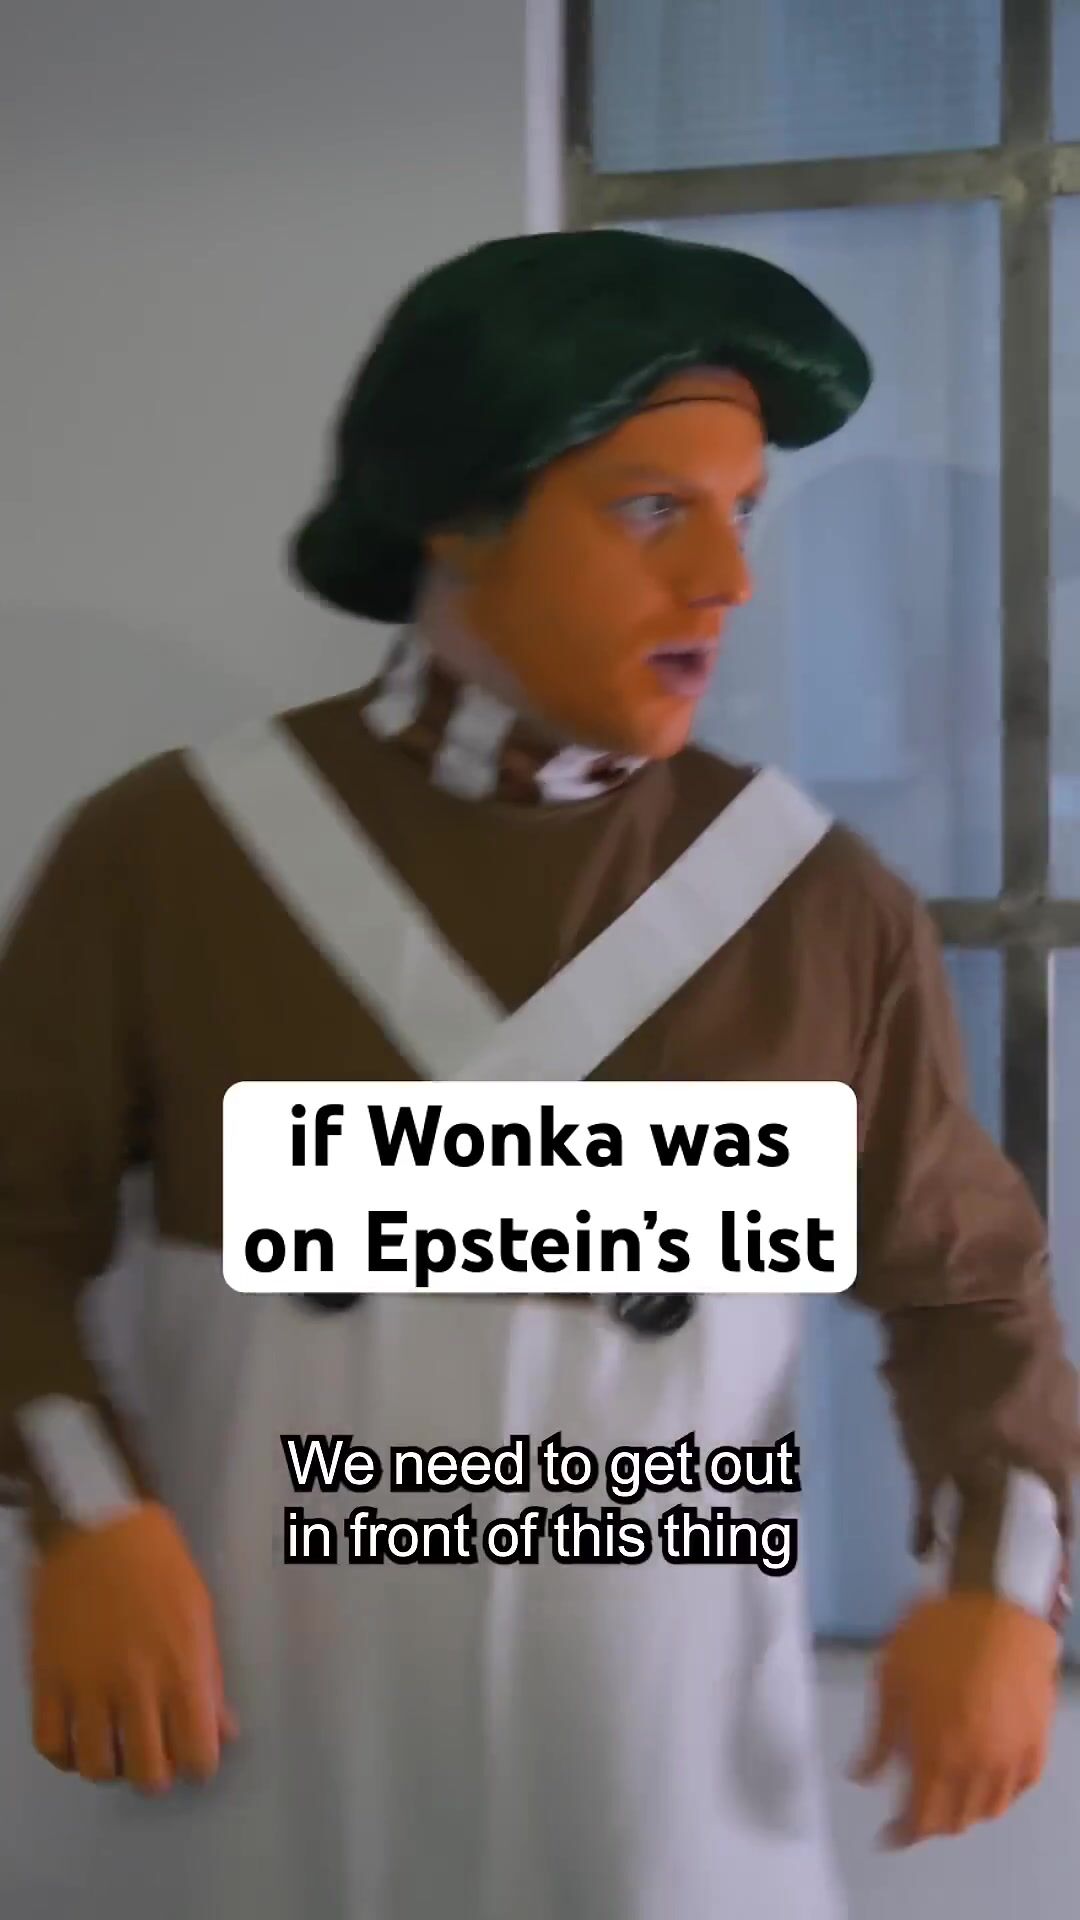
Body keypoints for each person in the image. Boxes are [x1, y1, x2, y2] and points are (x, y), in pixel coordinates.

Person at [0, 229, 1076, 1920]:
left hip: (669, 1796)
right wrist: (88, 1519)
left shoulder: (816, 905)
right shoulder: (169, 857)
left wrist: (1001, 1590)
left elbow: (968, 1291)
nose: (726, 579)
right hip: (269, 1774)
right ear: (459, 508)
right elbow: (10, 1235)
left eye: (745, 513)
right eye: (653, 508)